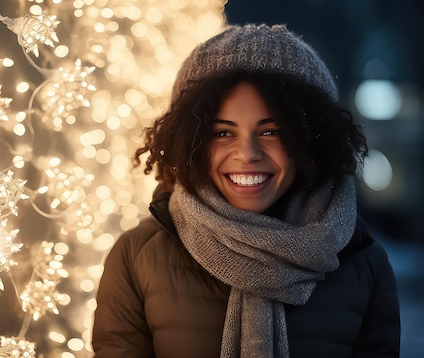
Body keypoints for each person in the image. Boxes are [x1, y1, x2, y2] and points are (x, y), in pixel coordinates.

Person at [92, 24, 401, 358]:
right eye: (223, 133)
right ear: (189, 140)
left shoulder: (364, 264)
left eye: (271, 132)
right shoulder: (137, 256)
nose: (248, 153)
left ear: (311, 139)